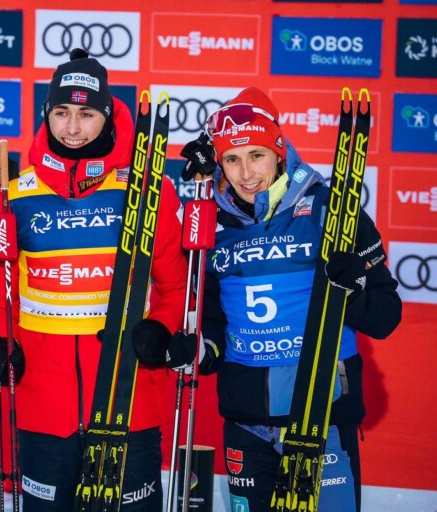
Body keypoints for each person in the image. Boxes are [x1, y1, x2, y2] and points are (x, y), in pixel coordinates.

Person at [0, 48, 189, 511]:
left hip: (128, 398)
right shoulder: (16, 192)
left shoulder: (146, 189)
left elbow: (175, 287)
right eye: (61, 113)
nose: (72, 128)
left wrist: (160, 329)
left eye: (86, 114)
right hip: (43, 407)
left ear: (106, 118)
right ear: (46, 114)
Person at [174, 87, 402, 511]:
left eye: (256, 155)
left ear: (279, 152)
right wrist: (197, 351)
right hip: (247, 424)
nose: (245, 174)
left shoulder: (330, 210)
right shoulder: (212, 228)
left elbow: (386, 317)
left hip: (323, 415)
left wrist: (349, 291)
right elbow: (214, 330)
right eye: (232, 159)